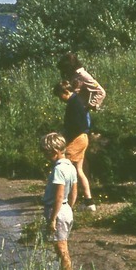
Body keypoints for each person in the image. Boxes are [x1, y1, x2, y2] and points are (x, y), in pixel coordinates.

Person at [40, 132, 78, 270]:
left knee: (62, 252)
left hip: (57, 210)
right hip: (66, 209)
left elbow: (58, 195)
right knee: (62, 250)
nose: (46, 156)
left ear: (54, 151)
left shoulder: (58, 169)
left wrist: (53, 218)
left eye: (46, 153)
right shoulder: (70, 166)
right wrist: (69, 207)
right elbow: (74, 192)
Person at [53, 80, 95, 211]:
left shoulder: (73, 104)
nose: (60, 99)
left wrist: (65, 136)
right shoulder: (76, 101)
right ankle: (89, 202)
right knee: (78, 170)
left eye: (60, 96)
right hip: (83, 137)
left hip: (76, 139)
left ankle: (68, 203)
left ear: (66, 92)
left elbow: (75, 126)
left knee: (67, 170)